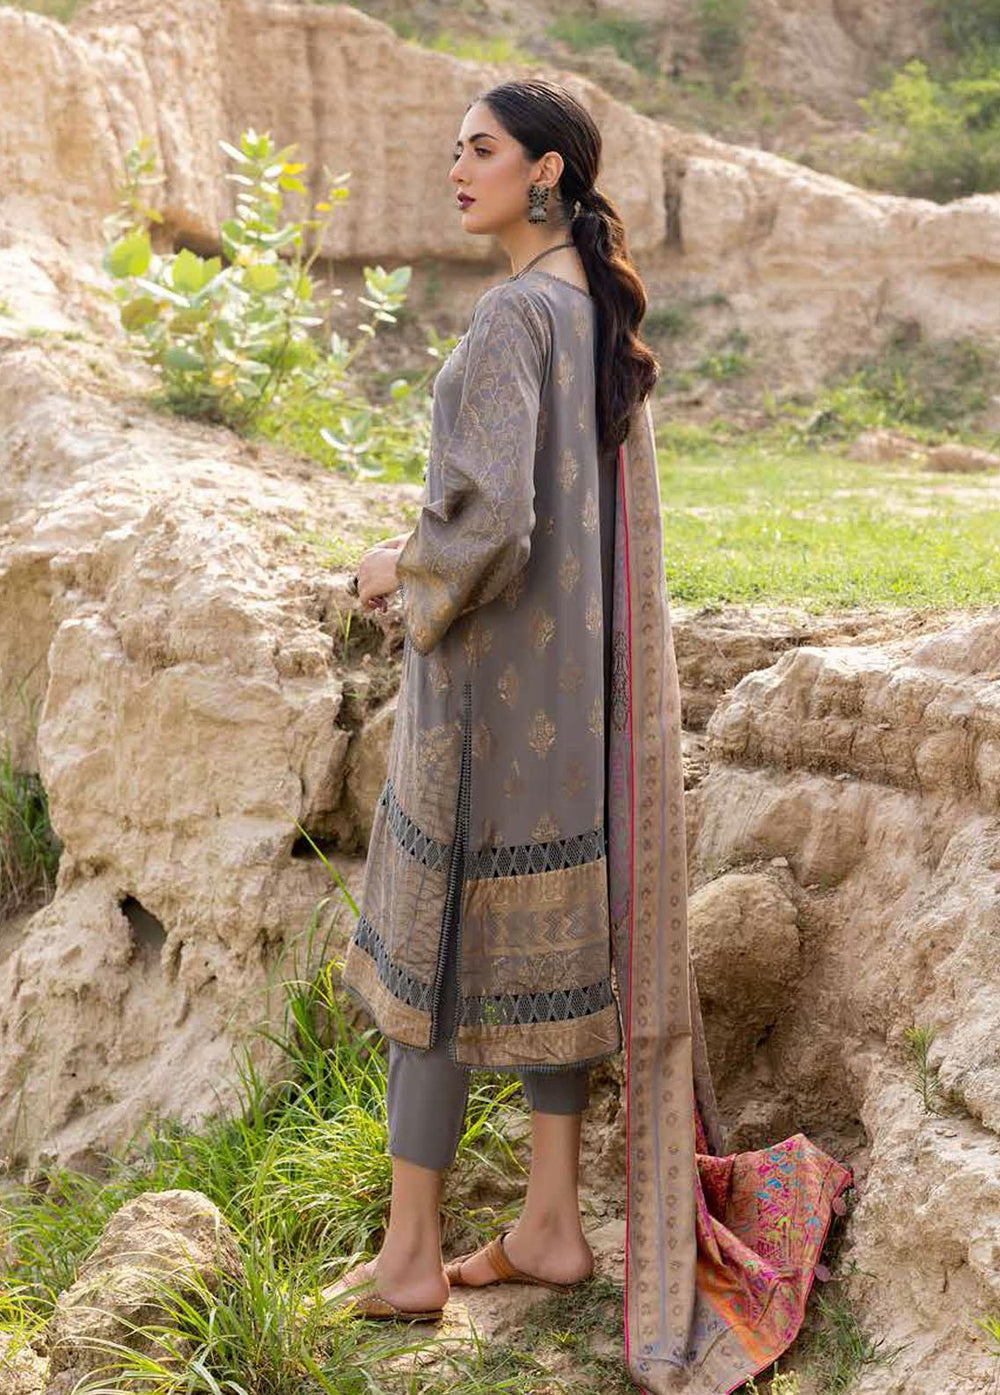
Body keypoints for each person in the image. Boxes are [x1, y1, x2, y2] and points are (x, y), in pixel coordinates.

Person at [323, 78, 855, 1395]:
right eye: (455, 149)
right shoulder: (593, 311)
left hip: (488, 702)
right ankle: (552, 1227)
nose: (458, 169)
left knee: (433, 972)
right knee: (553, 965)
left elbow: (494, 520)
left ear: (547, 171)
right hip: (577, 708)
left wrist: (400, 565)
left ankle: (409, 1257)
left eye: (482, 149)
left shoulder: (515, 313)